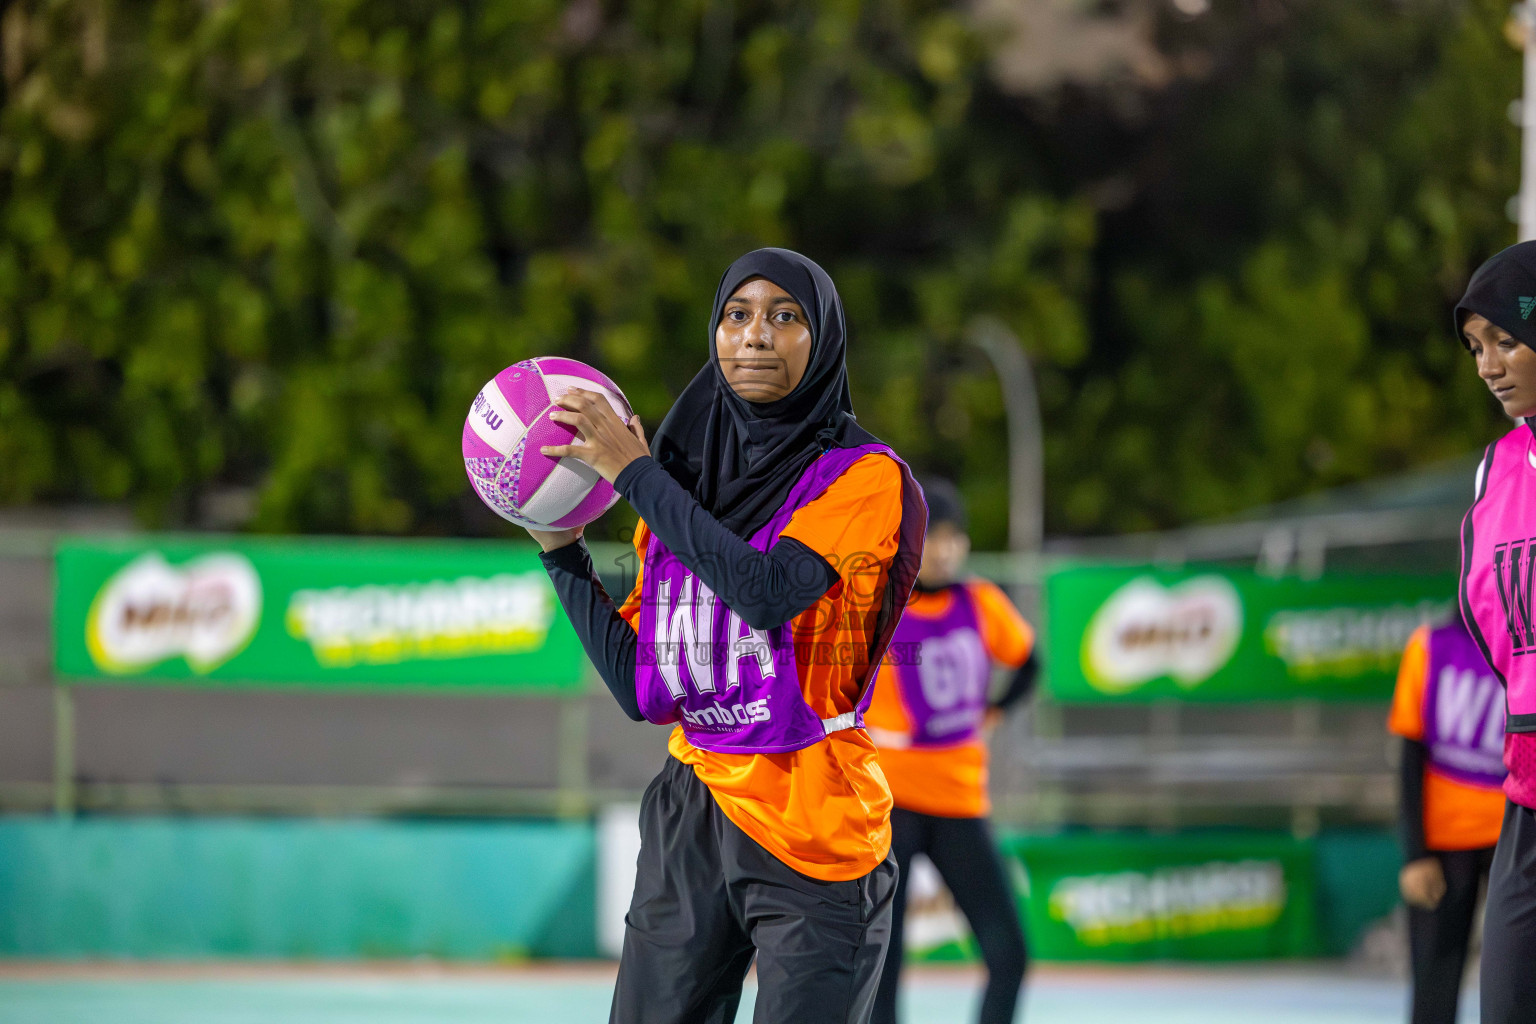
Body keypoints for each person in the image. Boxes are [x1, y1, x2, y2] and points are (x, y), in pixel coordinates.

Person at [527, 247, 926, 1024]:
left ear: (825, 344)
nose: (755, 335)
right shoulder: (679, 486)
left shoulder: (863, 478)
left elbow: (766, 593)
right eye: (736, 315)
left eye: (785, 316)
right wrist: (560, 549)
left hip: (815, 816)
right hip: (696, 805)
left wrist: (636, 476)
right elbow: (644, 691)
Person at [865, 478, 1036, 1024]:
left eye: (952, 537)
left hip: (960, 801)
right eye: (931, 536)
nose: (943, 549)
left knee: (1010, 953)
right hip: (891, 804)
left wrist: (995, 712)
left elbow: (1029, 662)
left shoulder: (981, 601)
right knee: (883, 962)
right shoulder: (881, 605)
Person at [1452, 240, 1536, 1024]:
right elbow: (1486, 617)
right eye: (1479, 346)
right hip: (1529, 793)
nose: (1488, 365)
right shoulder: (1496, 470)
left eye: (1506, 339)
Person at [1387, 615, 1506, 1024]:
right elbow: (1409, 754)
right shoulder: (1430, 644)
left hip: (1516, 836)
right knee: (1435, 978)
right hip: (1443, 842)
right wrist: (1414, 853)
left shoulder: (1524, 644)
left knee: (1520, 975)